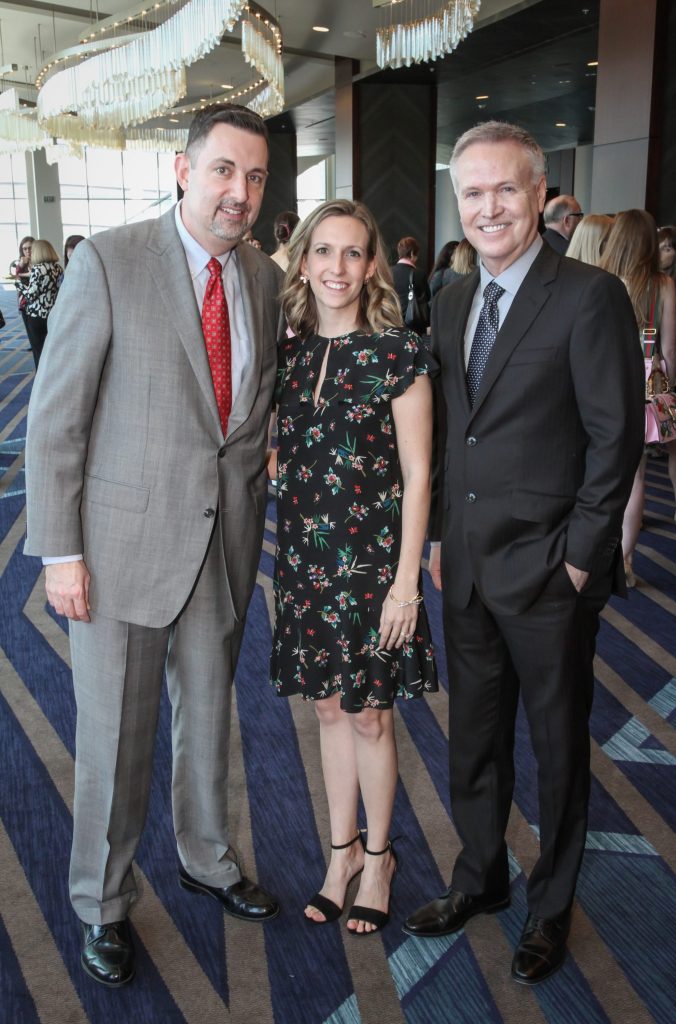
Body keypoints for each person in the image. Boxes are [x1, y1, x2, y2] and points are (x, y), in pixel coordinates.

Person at [24, 103, 283, 989]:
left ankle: (207, 858)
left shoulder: (263, 279)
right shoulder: (109, 261)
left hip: (222, 546)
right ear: (182, 169)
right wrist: (61, 552)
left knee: (211, 721)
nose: (238, 192)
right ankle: (101, 901)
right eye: (222, 171)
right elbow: (54, 421)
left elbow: (245, 417)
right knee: (116, 737)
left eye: (254, 177)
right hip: (119, 550)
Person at [403, 121, 643, 985]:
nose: (489, 207)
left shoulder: (588, 296)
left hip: (548, 573)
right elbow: (450, 436)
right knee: (472, 740)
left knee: (555, 748)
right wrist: (435, 541)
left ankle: (550, 908)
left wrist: (579, 561)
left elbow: (613, 443)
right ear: (457, 203)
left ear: (539, 196)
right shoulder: (454, 296)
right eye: (473, 193)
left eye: (506, 189)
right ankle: (481, 879)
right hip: (464, 567)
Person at [270, 199, 438, 934]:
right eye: (322, 252)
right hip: (305, 563)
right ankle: (338, 856)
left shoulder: (398, 353)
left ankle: (378, 858)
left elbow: (419, 473)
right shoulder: (292, 354)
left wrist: (405, 584)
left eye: (351, 254)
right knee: (328, 710)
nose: (336, 268)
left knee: (371, 717)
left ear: (372, 266)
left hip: (373, 570)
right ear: (303, 261)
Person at [600, 211, 676, 553]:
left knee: (595, 472)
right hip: (640, 387)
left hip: (599, 380)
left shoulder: (598, 277)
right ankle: (626, 560)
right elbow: (666, 347)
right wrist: (671, 382)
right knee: (635, 477)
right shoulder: (662, 284)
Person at [17, 239, 62, 368]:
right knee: (52, 349)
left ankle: (41, 381)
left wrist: (19, 284)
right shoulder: (58, 268)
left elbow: (31, 295)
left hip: (37, 315)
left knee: (39, 351)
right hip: (53, 313)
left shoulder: (38, 268)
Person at [391, 236, 430, 328]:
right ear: (412, 253)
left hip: (390, 322)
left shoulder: (387, 272)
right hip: (412, 324)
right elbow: (427, 297)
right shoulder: (419, 274)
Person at [11, 235, 34, 336]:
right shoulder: (20, 263)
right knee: (28, 325)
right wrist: (20, 266)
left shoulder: (39, 261)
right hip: (24, 299)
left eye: (30, 248)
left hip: (36, 299)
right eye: (25, 249)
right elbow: (16, 280)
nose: (28, 251)